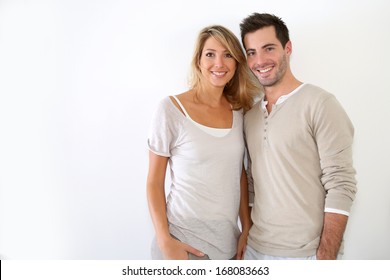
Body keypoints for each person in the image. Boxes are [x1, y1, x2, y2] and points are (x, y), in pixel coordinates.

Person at [239, 13, 357, 260]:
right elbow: (253, 182)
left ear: (287, 48)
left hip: (306, 255)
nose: (259, 60)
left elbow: (341, 183)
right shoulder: (250, 116)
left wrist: (325, 257)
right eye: (251, 52)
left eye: (268, 48)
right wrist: (247, 235)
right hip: (255, 251)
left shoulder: (320, 104)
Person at [146, 25, 260, 260]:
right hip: (181, 244)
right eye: (210, 54)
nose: (219, 63)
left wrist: (246, 228)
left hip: (228, 247)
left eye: (228, 54)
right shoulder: (171, 109)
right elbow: (154, 182)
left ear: (237, 63)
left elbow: (237, 173)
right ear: (198, 60)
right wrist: (165, 240)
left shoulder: (239, 112)